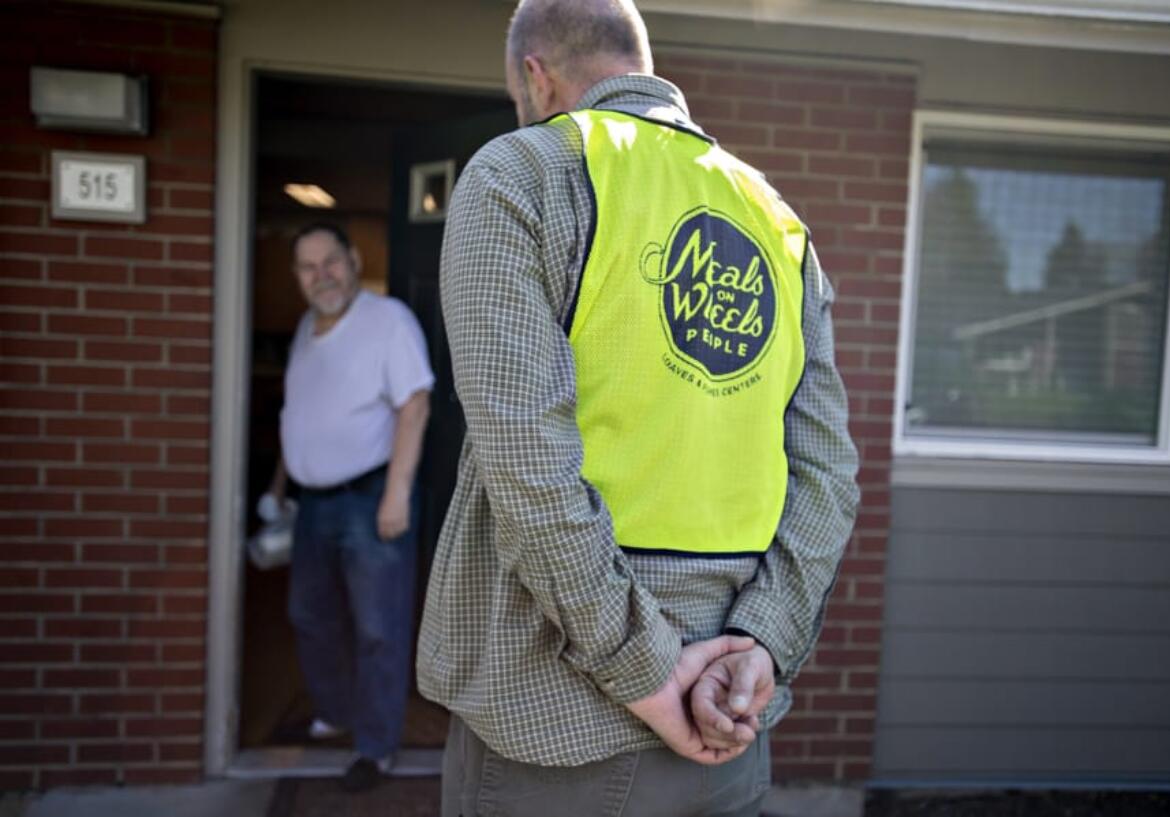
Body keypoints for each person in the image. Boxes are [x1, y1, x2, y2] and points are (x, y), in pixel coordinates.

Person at [417, 1, 860, 814]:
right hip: (729, 727)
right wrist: (762, 643)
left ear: (534, 75)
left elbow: (529, 462)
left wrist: (649, 673)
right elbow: (827, 475)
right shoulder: (776, 220)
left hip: (557, 731)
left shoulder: (523, 173)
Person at [266, 222, 433, 793]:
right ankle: (335, 710)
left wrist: (396, 491)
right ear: (297, 278)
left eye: (331, 261)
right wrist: (280, 486)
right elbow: (300, 416)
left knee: (378, 629)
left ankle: (376, 746)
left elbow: (414, 404)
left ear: (354, 260)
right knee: (310, 615)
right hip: (313, 505)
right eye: (309, 267)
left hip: (369, 500)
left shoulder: (388, 322)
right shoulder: (306, 332)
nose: (322, 276)